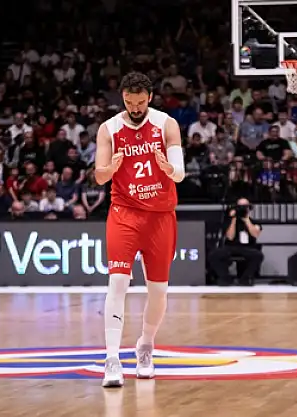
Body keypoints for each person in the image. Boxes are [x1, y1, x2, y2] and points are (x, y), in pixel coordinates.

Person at [94, 72, 185, 388]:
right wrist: (111, 168)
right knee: (117, 281)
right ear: (123, 98)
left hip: (160, 217)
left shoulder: (166, 124)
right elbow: (100, 176)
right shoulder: (109, 129)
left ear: (150, 98)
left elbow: (180, 174)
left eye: (140, 102)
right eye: (129, 102)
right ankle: (111, 359)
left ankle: (145, 345)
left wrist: (168, 168)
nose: (135, 108)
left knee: (158, 291)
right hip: (125, 213)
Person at [208, 198, 264, 286]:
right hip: (231, 247)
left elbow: (255, 234)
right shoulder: (229, 221)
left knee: (258, 255)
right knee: (214, 255)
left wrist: (246, 220)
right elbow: (230, 237)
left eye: (245, 207)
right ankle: (225, 277)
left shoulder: (254, 222)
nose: (242, 209)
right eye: (240, 207)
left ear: (249, 208)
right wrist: (233, 219)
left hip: (247, 248)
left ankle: (245, 278)